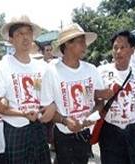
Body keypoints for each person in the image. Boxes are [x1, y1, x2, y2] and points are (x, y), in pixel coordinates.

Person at [40, 23, 104, 164]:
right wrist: (64, 120)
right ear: (68, 44)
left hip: (85, 133)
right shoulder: (52, 72)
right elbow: (46, 109)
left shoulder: (91, 70)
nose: (85, 47)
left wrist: (91, 117)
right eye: (81, 42)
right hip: (64, 134)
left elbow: (99, 101)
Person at [0, 15, 51, 164]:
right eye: (19, 33)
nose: (25, 37)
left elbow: (48, 100)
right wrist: (22, 113)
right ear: (11, 39)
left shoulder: (41, 67)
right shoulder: (4, 66)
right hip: (15, 128)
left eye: (28, 33)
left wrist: (50, 108)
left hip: (38, 128)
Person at [97, 30, 135, 164]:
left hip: (131, 131)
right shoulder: (101, 71)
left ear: (132, 50)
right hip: (109, 131)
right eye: (115, 48)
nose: (118, 51)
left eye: (123, 47)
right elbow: (91, 95)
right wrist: (101, 94)